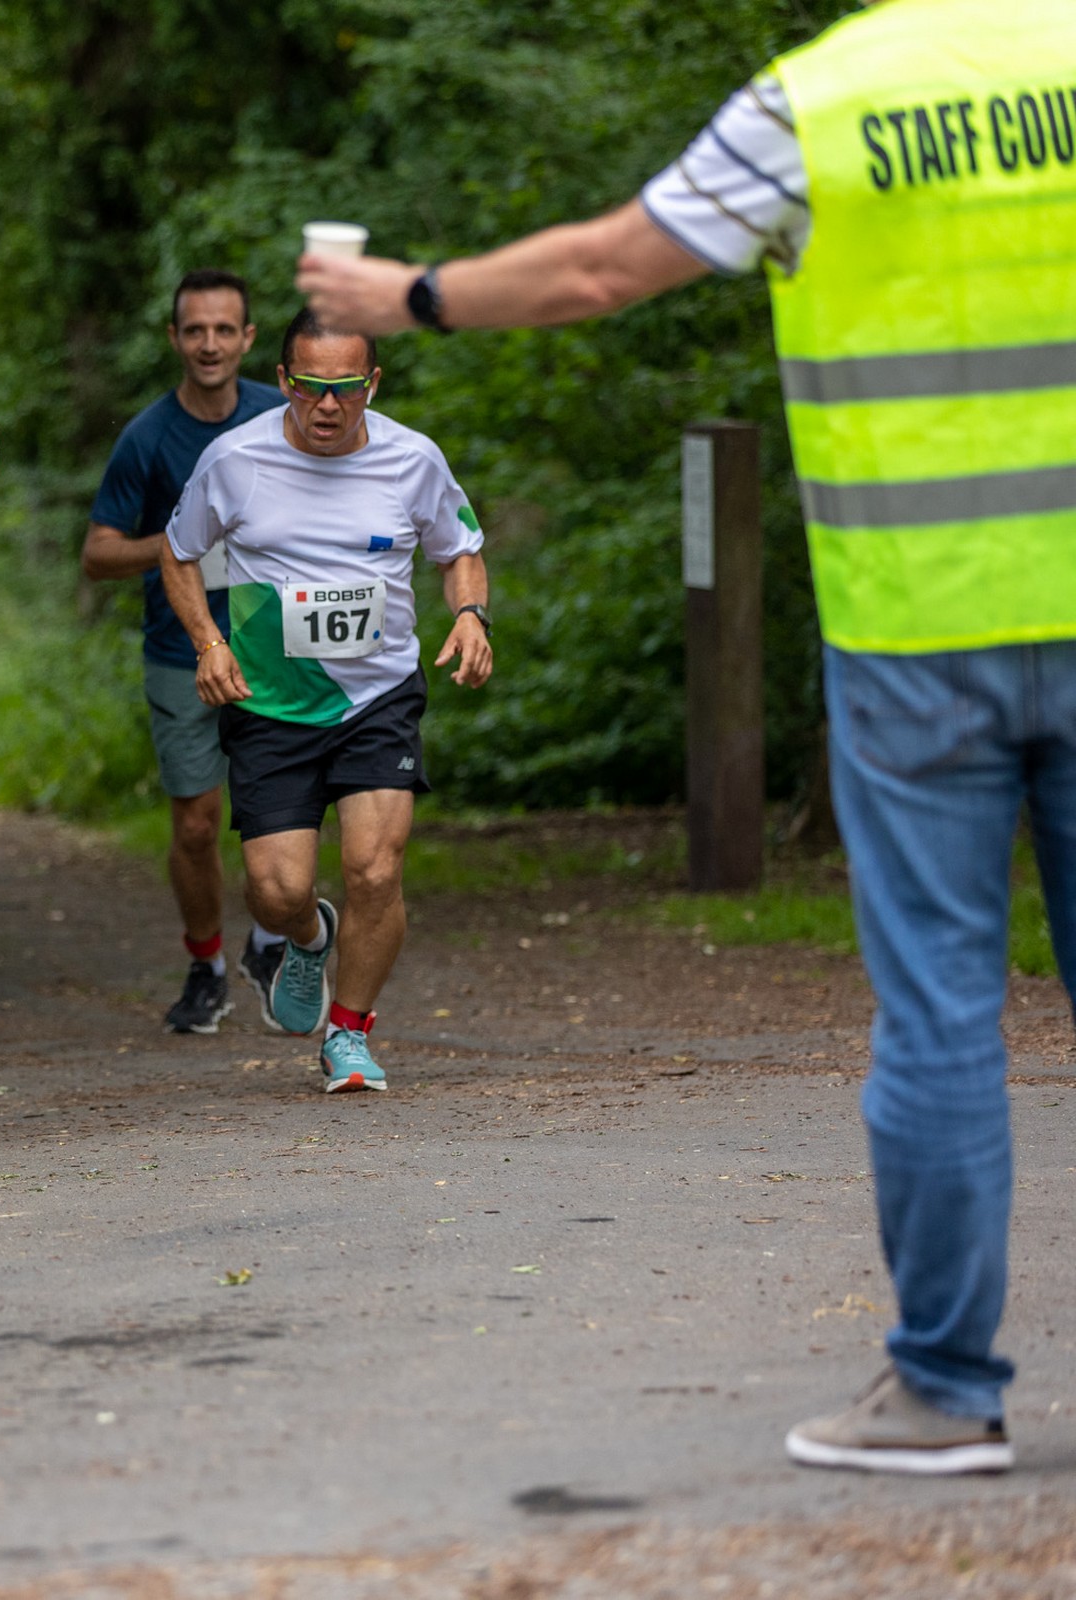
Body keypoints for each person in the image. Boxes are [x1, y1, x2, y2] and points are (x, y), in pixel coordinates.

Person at [299, 0, 1069, 1476]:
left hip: (921, 629)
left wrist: (414, 295)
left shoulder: (827, 98)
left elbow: (608, 264)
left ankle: (944, 1389)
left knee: (939, 1015)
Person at [162, 308, 491, 1094]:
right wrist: (208, 643)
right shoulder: (234, 459)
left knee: (376, 870)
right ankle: (307, 937)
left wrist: (472, 614)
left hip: (378, 697)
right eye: (310, 387)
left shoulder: (413, 460)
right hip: (271, 703)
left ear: (373, 383)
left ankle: (349, 1032)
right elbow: (179, 554)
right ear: (283, 381)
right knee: (276, 892)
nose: (328, 405)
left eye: (346, 388)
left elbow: (460, 549)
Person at [83, 270, 284, 1034]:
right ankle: (206, 965)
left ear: (247, 339)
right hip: (181, 652)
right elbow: (98, 553)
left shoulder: (282, 417)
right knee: (198, 823)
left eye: (224, 330)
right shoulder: (148, 436)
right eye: (195, 330)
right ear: (175, 338)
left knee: (281, 812)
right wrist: (178, 546)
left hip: (278, 647)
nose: (209, 344)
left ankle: (271, 943)